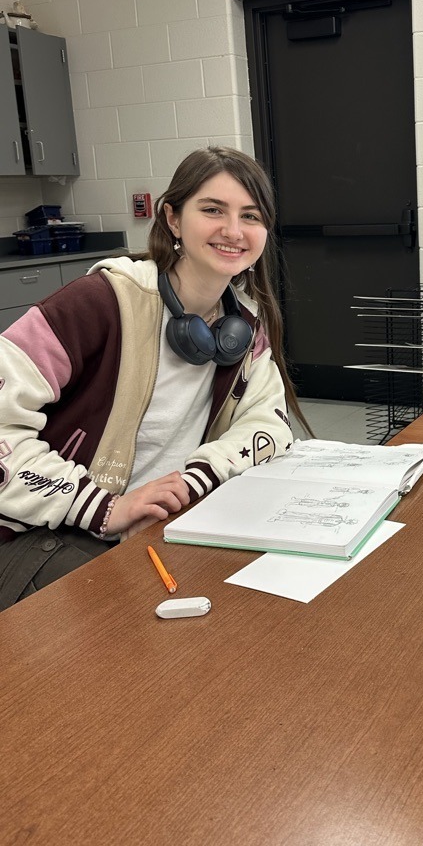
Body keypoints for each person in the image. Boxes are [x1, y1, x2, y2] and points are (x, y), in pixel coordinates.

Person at [0, 146, 307, 609]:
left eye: (251, 215)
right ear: (173, 219)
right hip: (47, 533)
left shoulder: (242, 326)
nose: (233, 230)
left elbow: (269, 423)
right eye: (212, 210)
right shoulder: (98, 303)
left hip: (164, 524)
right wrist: (103, 507)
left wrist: (193, 479)